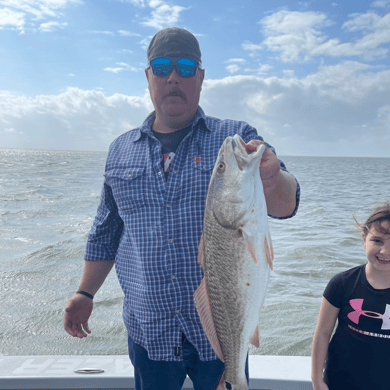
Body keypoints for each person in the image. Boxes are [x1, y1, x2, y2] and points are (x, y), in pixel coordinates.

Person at [64, 27, 300, 390]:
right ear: (148, 77)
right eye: (161, 67)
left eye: (186, 67)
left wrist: (271, 176)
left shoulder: (235, 137)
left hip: (221, 331)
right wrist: (85, 293)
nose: (173, 77)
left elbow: (286, 205)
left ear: (201, 78)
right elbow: (106, 233)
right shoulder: (120, 150)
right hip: (149, 331)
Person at [311, 202, 390, 390]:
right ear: (364, 239)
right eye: (377, 241)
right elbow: (322, 333)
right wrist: (316, 380)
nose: (385, 251)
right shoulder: (342, 283)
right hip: (340, 380)